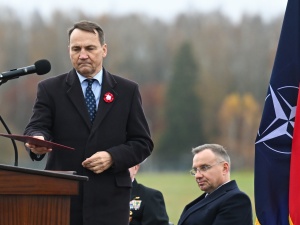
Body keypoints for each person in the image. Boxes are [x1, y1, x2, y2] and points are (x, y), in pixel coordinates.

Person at [23, 20, 154, 225]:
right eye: (76, 49)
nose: (82, 55)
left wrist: (112, 156)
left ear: (104, 50)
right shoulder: (50, 89)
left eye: (90, 48)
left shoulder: (127, 91)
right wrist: (37, 140)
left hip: (110, 203)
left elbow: (142, 143)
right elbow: (38, 126)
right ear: (69, 51)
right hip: (62, 200)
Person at [178, 144, 253, 225]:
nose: (197, 175)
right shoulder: (210, 197)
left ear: (224, 168)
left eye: (204, 167)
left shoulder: (236, 200)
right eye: (195, 170)